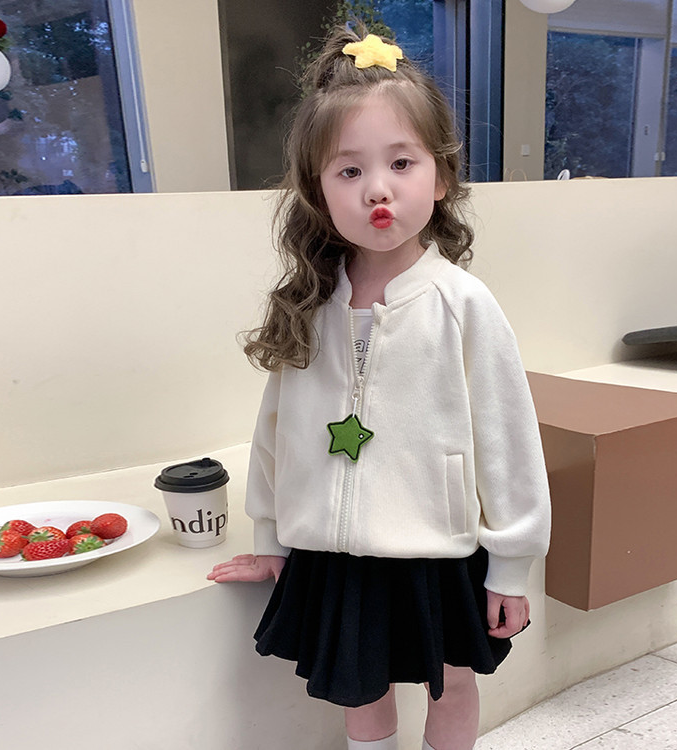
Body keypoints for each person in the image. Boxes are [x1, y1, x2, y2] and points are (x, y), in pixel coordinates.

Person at [208, 27, 551, 750]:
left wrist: (512, 566)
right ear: (318, 189)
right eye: (349, 170)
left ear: (442, 176)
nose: (378, 189)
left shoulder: (464, 304)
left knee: (452, 682)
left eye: (401, 162)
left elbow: (509, 440)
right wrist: (270, 534)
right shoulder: (308, 302)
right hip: (336, 558)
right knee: (359, 693)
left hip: (438, 549)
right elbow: (276, 431)